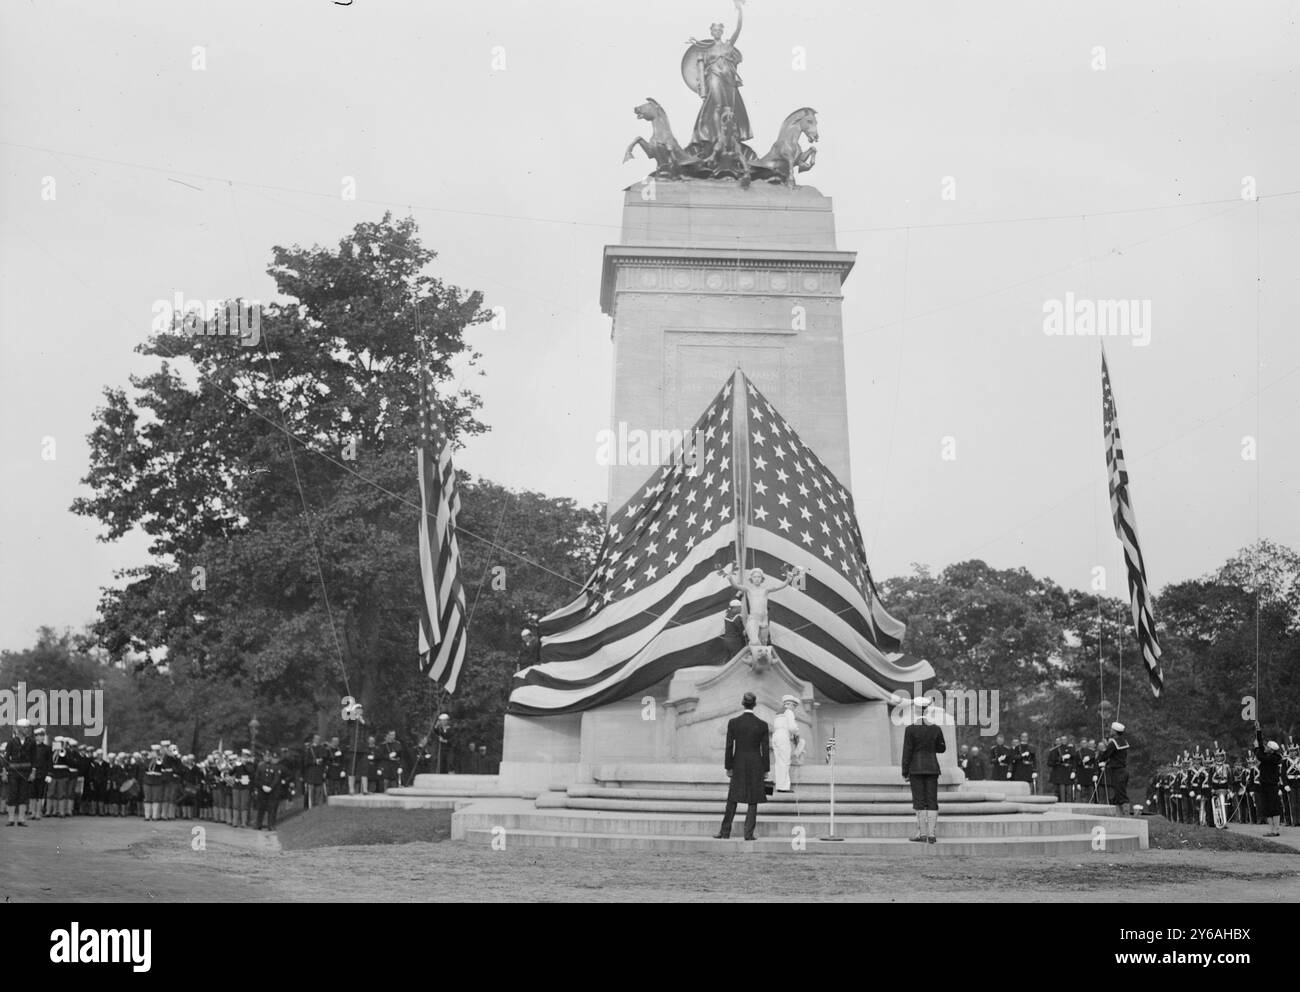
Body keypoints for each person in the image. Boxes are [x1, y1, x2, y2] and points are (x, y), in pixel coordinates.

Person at [713, 691, 769, 841]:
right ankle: (748, 834)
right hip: (756, 764)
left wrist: (728, 766)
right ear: (755, 704)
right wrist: (766, 769)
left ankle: (725, 832)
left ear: (742, 703)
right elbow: (765, 749)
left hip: (738, 763)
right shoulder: (762, 725)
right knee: (753, 800)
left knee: (732, 798)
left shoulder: (733, 722)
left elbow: (729, 746)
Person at [901, 697, 947, 843]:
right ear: (927, 710)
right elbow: (942, 748)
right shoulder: (936, 728)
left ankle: (921, 834)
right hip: (932, 768)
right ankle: (932, 834)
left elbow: (907, 752)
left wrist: (904, 771)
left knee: (919, 801)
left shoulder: (910, 729)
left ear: (916, 710)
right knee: (932, 800)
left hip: (916, 769)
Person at [4, 718, 36, 826]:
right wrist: (5, 771)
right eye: (24, 727)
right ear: (18, 728)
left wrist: (33, 772)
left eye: (27, 727)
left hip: (26, 772)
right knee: (12, 795)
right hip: (13, 772)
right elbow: (6, 758)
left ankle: (22, 819)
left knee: (23, 795)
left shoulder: (31, 742)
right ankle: (11, 819)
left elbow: (34, 759)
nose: (27, 729)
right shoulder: (12, 742)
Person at [1254, 723, 1284, 836]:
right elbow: (1261, 749)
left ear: (1271, 750)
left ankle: (1276, 829)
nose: (1265, 748)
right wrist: (1258, 731)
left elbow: (1260, 755)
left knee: (1274, 807)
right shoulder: (1268, 756)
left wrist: (1257, 747)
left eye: (1267, 747)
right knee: (1266, 808)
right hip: (1264, 786)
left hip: (1272, 786)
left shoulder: (1274, 758)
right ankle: (1272, 829)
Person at [771, 695, 804, 793]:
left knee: (779, 762)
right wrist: (797, 734)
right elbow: (792, 728)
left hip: (776, 736)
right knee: (785, 761)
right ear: (792, 705)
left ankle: (779, 785)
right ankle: (784, 787)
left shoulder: (778, 713)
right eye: (794, 706)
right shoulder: (789, 712)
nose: (794, 709)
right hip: (783, 736)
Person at [1099, 722, 1131, 814]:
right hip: (1122, 771)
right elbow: (1116, 755)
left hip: (1118, 772)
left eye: (1112, 730)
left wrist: (1102, 754)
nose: (1110, 731)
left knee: (1121, 795)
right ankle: (1119, 815)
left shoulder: (1113, 743)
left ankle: (1126, 814)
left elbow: (1105, 755)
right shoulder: (1123, 741)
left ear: (1115, 732)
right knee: (1117, 795)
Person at [255, 752, 284, 831]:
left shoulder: (275, 767)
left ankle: (270, 825)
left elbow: (276, 779)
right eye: (266, 757)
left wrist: (271, 787)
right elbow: (257, 779)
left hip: (272, 791)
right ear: (264, 757)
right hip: (262, 790)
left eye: (269, 757)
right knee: (261, 808)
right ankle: (258, 824)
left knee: (271, 809)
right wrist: (262, 786)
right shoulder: (260, 767)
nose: (267, 758)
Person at [30, 727, 51, 821]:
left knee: (40, 794)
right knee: (32, 794)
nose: (42, 737)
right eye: (40, 736)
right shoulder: (30, 747)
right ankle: (32, 812)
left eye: (43, 736)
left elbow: (49, 762)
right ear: (35, 737)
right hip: (32, 773)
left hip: (42, 773)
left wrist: (49, 774)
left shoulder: (47, 748)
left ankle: (38, 813)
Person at [303, 734, 327, 809]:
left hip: (319, 773)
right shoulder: (309, 749)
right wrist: (314, 761)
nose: (318, 740)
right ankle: (311, 807)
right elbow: (305, 762)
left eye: (319, 739)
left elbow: (325, 759)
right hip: (311, 774)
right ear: (313, 740)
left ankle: (317, 807)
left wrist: (324, 770)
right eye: (316, 739)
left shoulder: (322, 748)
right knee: (311, 792)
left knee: (319, 792)